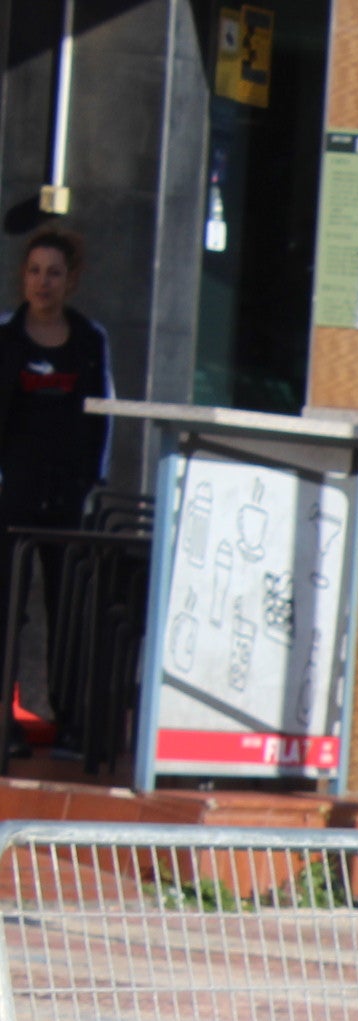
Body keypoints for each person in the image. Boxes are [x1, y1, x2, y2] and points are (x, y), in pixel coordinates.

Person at [0, 227, 110, 740]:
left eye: (54, 273)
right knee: (7, 607)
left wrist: (91, 483)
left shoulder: (90, 341)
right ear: (23, 277)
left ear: (72, 281)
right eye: (35, 271)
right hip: (11, 490)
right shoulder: (5, 337)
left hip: (67, 493)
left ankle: (68, 719)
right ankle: (6, 719)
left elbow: (102, 415)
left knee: (66, 606)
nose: (43, 283)